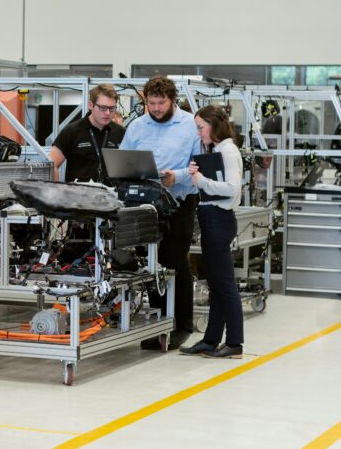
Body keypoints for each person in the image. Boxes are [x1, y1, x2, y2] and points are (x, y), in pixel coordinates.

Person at [120, 76, 198, 350]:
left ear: (172, 100)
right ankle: (159, 324)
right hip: (146, 205)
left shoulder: (190, 124)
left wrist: (176, 177)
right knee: (152, 265)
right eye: (151, 103)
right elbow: (122, 160)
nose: (155, 108)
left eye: (160, 103)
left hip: (179, 202)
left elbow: (199, 165)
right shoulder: (137, 126)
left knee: (174, 260)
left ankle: (182, 325)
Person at [180, 106, 244, 359]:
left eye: (200, 127)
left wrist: (201, 181)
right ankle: (211, 340)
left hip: (219, 220)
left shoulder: (228, 150)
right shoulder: (217, 150)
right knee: (217, 285)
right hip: (212, 219)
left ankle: (235, 343)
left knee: (226, 285)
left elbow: (232, 189)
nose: (198, 133)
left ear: (213, 124)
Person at [49, 84, 125, 183]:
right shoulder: (72, 131)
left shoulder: (121, 133)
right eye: (103, 108)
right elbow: (52, 165)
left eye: (112, 108)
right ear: (90, 105)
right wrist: (56, 192)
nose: (107, 113)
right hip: (79, 195)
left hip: (111, 195)